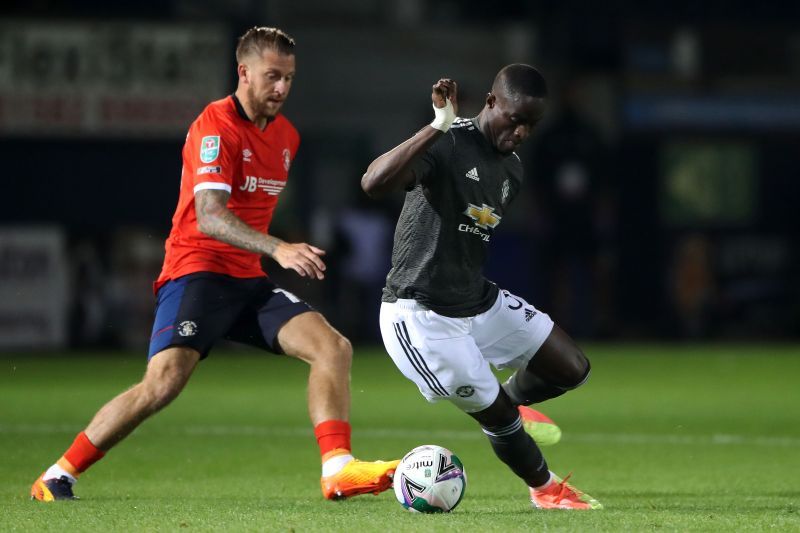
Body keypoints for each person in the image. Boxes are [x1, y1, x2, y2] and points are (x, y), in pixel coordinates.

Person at [31, 26, 398, 502]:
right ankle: (57, 474)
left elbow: (259, 208)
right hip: (196, 273)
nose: (282, 88)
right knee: (162, 384)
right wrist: (278, 248)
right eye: (272, 77)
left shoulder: (287, 137)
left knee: (333, 348)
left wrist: (279, 246)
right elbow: (208, 215)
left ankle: (337, 470)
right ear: (243, 72)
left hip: (247, 280)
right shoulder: (215, 126)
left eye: (288, 78)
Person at [361, 65, 602, 510]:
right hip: (420, 315)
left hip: (476, 300)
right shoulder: (449, 142)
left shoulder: (512, 169)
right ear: (491, 103)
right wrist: (436, 125)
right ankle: (547, 490)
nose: (522, 131)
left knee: (572, 368)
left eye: (532, 124)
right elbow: (374, 183)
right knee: (499, 421)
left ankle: (508, 401)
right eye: (515, 118)